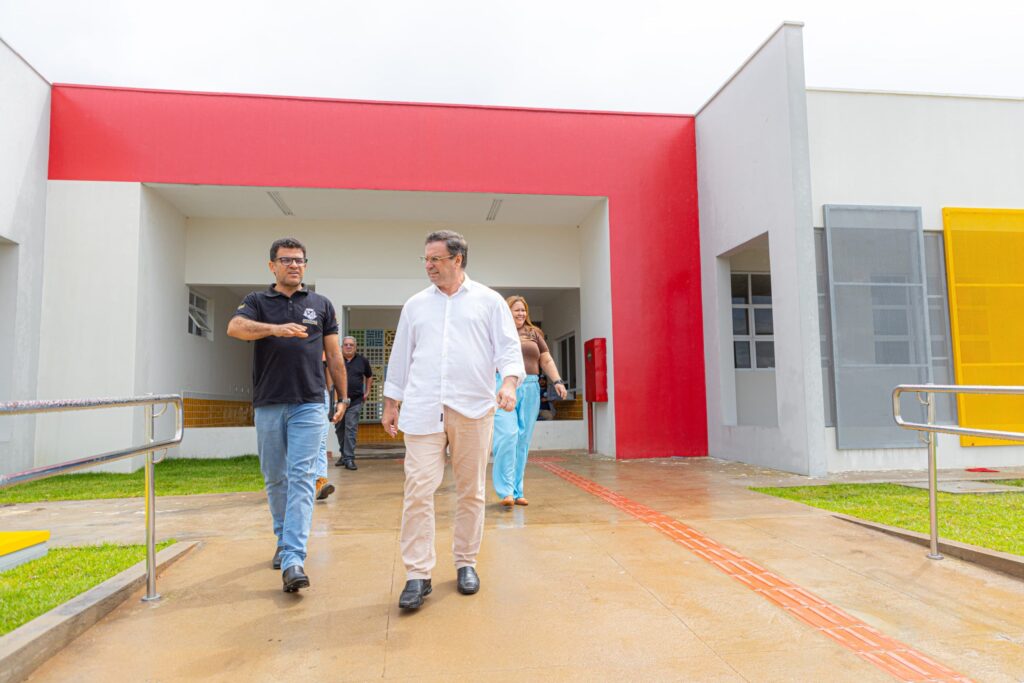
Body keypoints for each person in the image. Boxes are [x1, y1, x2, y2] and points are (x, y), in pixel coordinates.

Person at [382, 230, 524, 610]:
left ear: (457, 259)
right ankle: (417, 573)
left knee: (471, 491)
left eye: (436, 259)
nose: (428, 266)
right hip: (423, 409)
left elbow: (509, 350)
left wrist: (509, 383)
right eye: (426, 259)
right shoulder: (415, 305)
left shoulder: (489, 302)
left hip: (473, 408)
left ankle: (465, 562)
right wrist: (391, 401)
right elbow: (401, 357)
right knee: (417, 490)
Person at [227, 237, 347, 593]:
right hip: (269, 402)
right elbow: (235, 328)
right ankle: (283, 539)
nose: (294, 265)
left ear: (305, 265)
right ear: (272, 266)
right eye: (286, 260)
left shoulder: (321, 305)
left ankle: (294, 557)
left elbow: (334, 355)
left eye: (299, 260)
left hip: (310, 402)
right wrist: (274, 329)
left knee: (303, 477)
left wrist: (343, 397)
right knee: (275, 477)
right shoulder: (257, 302)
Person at [492, 296, 568, 507]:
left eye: (523, 310)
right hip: (503, 385)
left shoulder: (534, 333)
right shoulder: (499, 332)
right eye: (516, 310)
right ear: (507, 311)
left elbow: (546, 359)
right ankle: (505, 491)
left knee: (523, 440)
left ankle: (517, 492)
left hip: (531, 386)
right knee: (507, 435)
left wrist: (557, 381)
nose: (521, 314)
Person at [334, 336, 373, 470]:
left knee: (350, 429)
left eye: (351, 345)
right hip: (339, 401)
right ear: (342, 347)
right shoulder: (336, 360)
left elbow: (369, 376)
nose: (348, 347)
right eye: (346, 344)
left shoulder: (362, 361)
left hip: (355, 401)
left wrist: (367, 392)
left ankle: (349, 458)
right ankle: (344, 454)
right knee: (340, 430)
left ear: (355, 347)